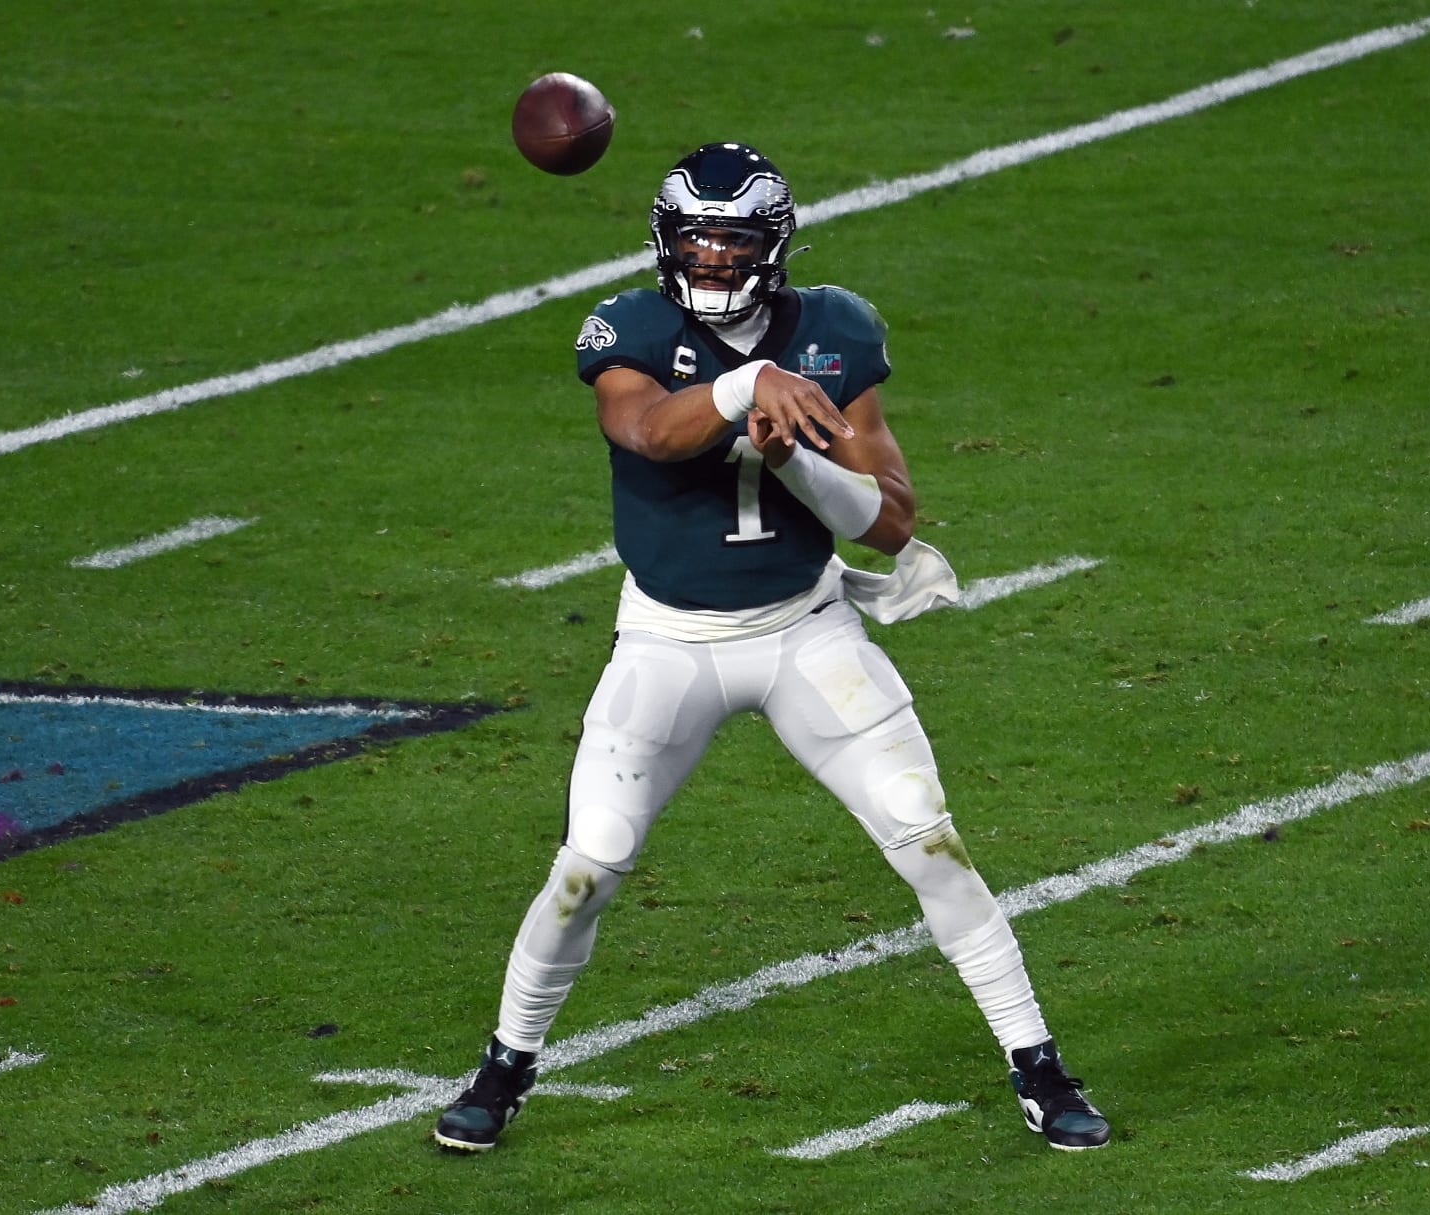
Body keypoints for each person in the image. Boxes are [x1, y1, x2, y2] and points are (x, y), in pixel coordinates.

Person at [434, 142, 1108, 1154]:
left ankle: (1040, 1068)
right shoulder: (630, 329)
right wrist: (748, 388)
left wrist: (797, 465)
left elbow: (889, 523)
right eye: (697, 237)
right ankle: (504, 1064)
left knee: (928, 839)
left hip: (805, 629)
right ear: (667, 240)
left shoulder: (835, 328)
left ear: (773, 243)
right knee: (591, 866)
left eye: (733, 238)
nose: (711, 258)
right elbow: (653, 433)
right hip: (667, 641)